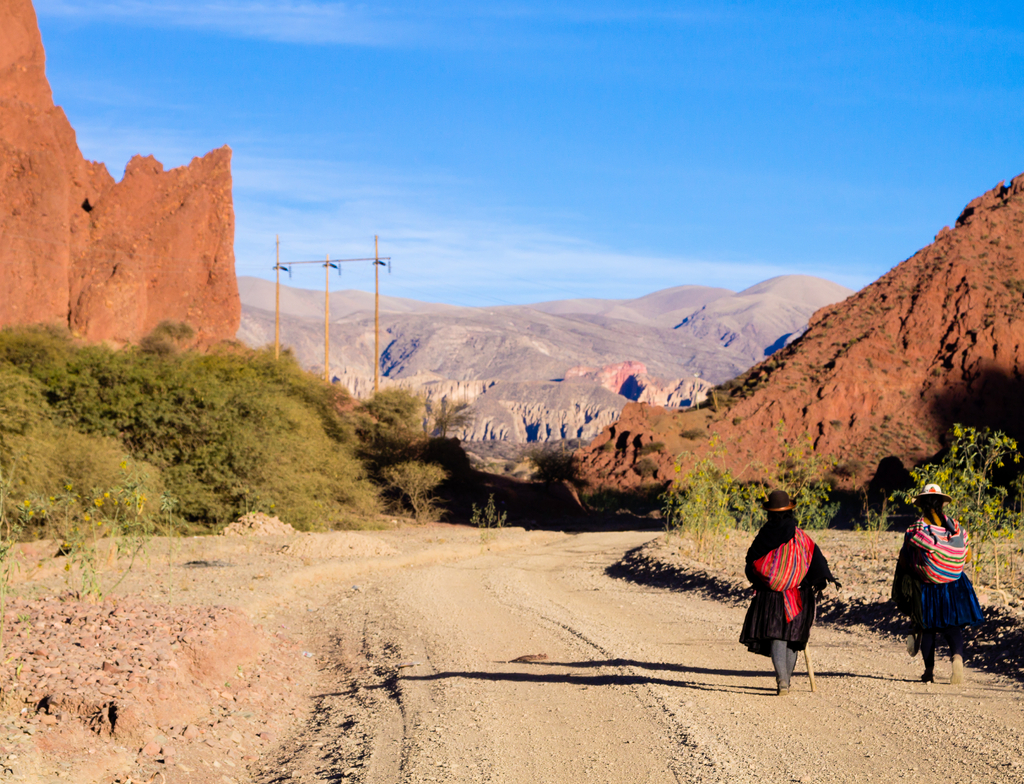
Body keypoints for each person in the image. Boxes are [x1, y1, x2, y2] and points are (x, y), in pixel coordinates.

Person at [740, 490, 839, 695]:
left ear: (770, 512)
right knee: (793, 638)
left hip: (771, 596)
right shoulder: (801, 537)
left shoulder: (764, 535)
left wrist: (762, 580)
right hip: (797, 594)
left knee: (777, 636)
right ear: (790, 511)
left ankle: (782, 680)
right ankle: (787, 679)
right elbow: (817, 563)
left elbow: (751, 563)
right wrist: (816, 582)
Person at [891, 483, 984, 684]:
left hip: (927, 584)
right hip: (954, 584)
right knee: (953, 626)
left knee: (927, 628)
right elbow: (967, 558)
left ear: (921, 504)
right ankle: (957, 659)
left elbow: (904, 560)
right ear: (942, 504)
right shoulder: (956, 527)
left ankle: (929, 672)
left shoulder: (916, 528)